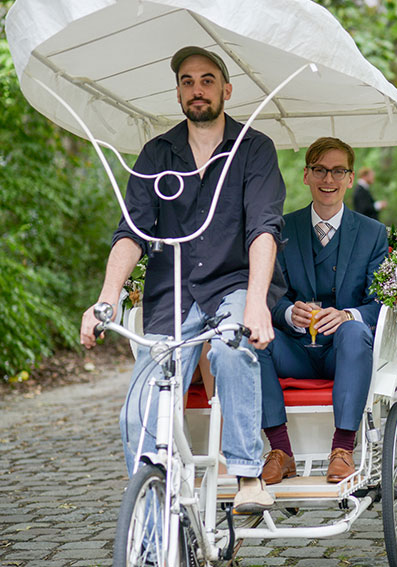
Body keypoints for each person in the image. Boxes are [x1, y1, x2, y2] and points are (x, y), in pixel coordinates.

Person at [78, 46, 284, 514]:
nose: (197, 89)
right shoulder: (156, 153)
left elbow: (263, 230)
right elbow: (131, 232)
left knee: (232, 352)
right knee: (138, 411)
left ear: (226, 90)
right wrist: (105, 299)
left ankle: (249, 475)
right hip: (172, 297)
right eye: (187, 81)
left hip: (233, 286)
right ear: (178, 92)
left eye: (207, 80)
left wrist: (256, 303)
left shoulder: (254, 148)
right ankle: (153, 536)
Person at [257, 137, 388, 485]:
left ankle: (343, 449)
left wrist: (347, 316)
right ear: (306, 175)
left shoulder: (374, 234)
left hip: (342, 351)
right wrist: (287, 313)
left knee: (356, 330)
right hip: (295, 349)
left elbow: (379, 304)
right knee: (254, 339)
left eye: (337, 171)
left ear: (349, 177)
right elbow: (268, 294)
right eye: (320, 170)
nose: (328, 179)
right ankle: (280, 450)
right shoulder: (281, 229)